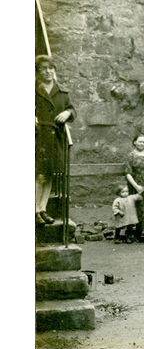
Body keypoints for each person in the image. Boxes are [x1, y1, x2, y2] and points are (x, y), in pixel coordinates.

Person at [35, 55, 76, 225]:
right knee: (40, 175)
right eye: (44, 68)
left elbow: (72, 109)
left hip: (55, 139)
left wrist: (67, 113)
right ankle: (36, 210)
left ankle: (42, 209)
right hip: (38, 137)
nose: (48, 71)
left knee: (51, 175)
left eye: (51, 68)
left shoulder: (62, 92)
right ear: (38, 72)